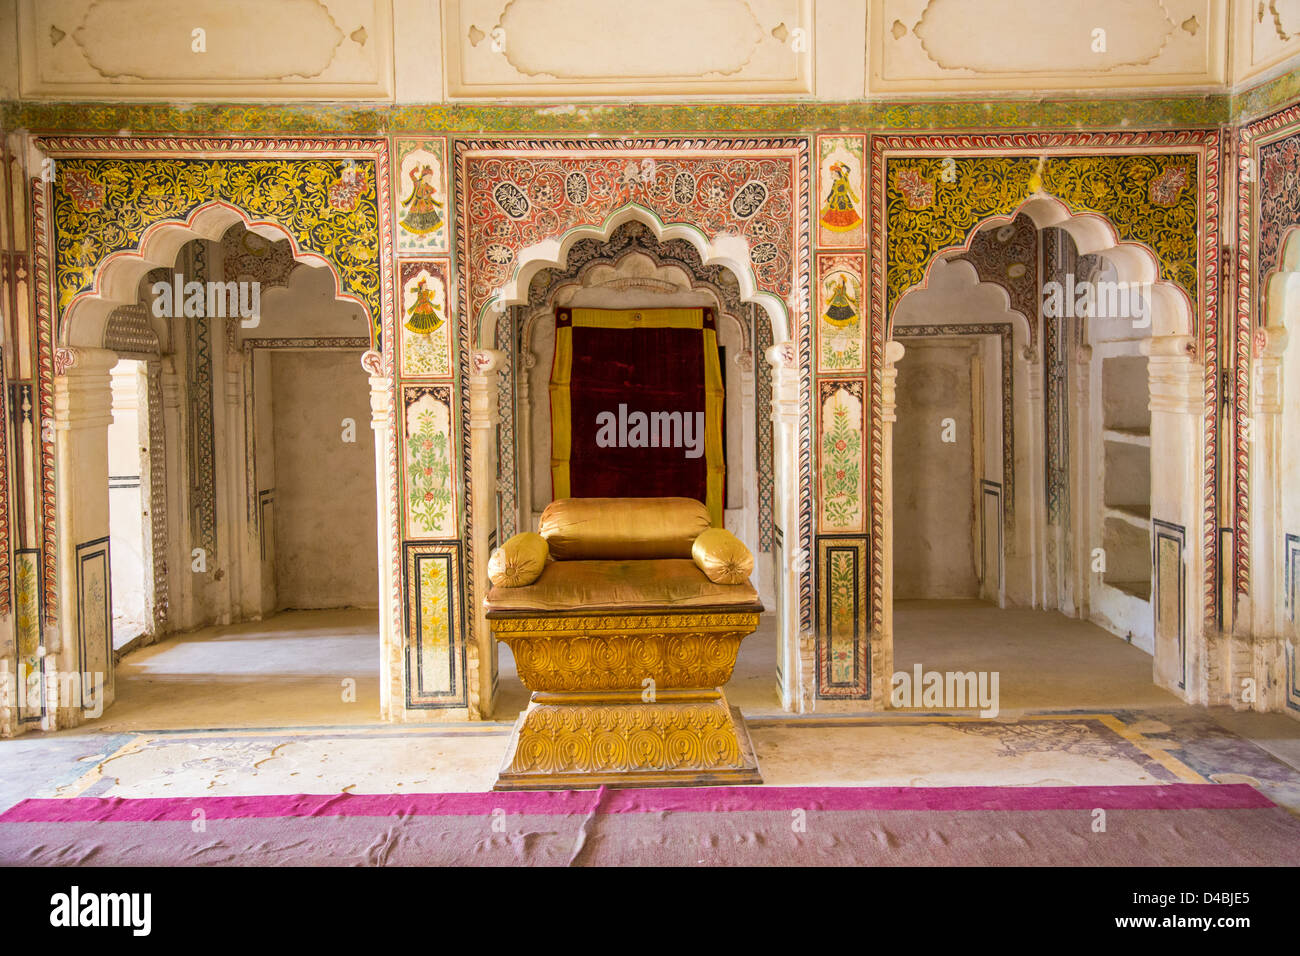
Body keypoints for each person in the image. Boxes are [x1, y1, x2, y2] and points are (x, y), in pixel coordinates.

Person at [402, 163, 444, 235]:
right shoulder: (417, 183)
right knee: (418, 220)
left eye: (431, 177)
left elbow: (430, 198)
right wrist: (416, 168)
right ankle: (421, 235)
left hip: (427, 205)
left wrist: (437, 204)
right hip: (417, 205)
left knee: (429, 220)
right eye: (429, 177)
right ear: (424, 176)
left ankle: (426, 234)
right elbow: (411, 174)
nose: (430, 179)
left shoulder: (429, 187)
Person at [820, 161, 862, 232]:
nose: (831, 176)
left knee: (847, 213)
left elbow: (849, 170)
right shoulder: (835, 182)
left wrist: (843, 165)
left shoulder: (844, 178)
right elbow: (832, 191)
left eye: (832, 174)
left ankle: (847, 225)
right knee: (832, 213)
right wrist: (828, 198)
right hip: (836, 199)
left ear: (836, 173)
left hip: (844, 199)